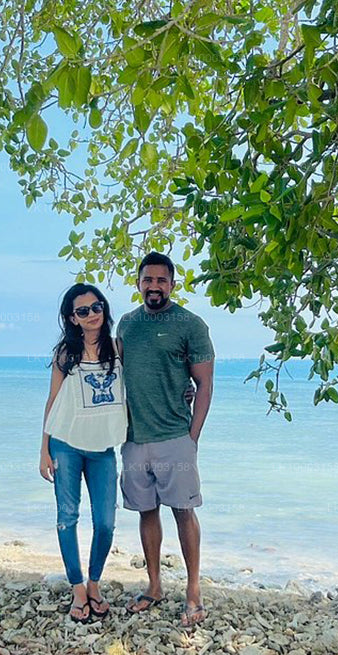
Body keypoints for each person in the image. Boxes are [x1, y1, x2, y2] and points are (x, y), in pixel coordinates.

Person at [116, 251, 215, 627]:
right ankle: (154, 586)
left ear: (172, 284)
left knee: (183, 511)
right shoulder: (127, 324)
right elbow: (114, 374)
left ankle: (193, 591)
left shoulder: (190, 324)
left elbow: (204, 384)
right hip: (134, 438)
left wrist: (193, 437)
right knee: (146, 511)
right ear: (138, 283)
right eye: (148, 280)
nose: (154, 286)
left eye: (161, 280)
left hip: (175, 436)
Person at [40, 283, 126, 623]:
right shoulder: (66, 354)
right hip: (66, 444)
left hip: (103, 448)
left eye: (96, 306)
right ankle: (77, 588)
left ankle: (94, 582)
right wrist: (43, 449)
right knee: (67, 518)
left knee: (105, 522)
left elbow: (146, 379)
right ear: (72, 318)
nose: (92, 314)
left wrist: (184, 391)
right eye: (83, 311)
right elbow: (53, 400)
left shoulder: (118, 348)